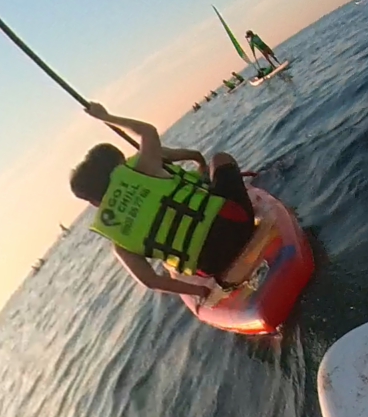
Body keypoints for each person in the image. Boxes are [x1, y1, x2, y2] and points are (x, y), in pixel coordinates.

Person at [68, 103, 261, 304]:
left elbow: (150, 281)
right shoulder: (143, 169)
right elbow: (147, 131)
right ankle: (250, 204)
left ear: (93, 202)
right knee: (220, 159)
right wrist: (105, 116)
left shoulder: (119, 243)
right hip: (238, 224)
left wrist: (200, 291)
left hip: (213, 264)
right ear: (117, 169)